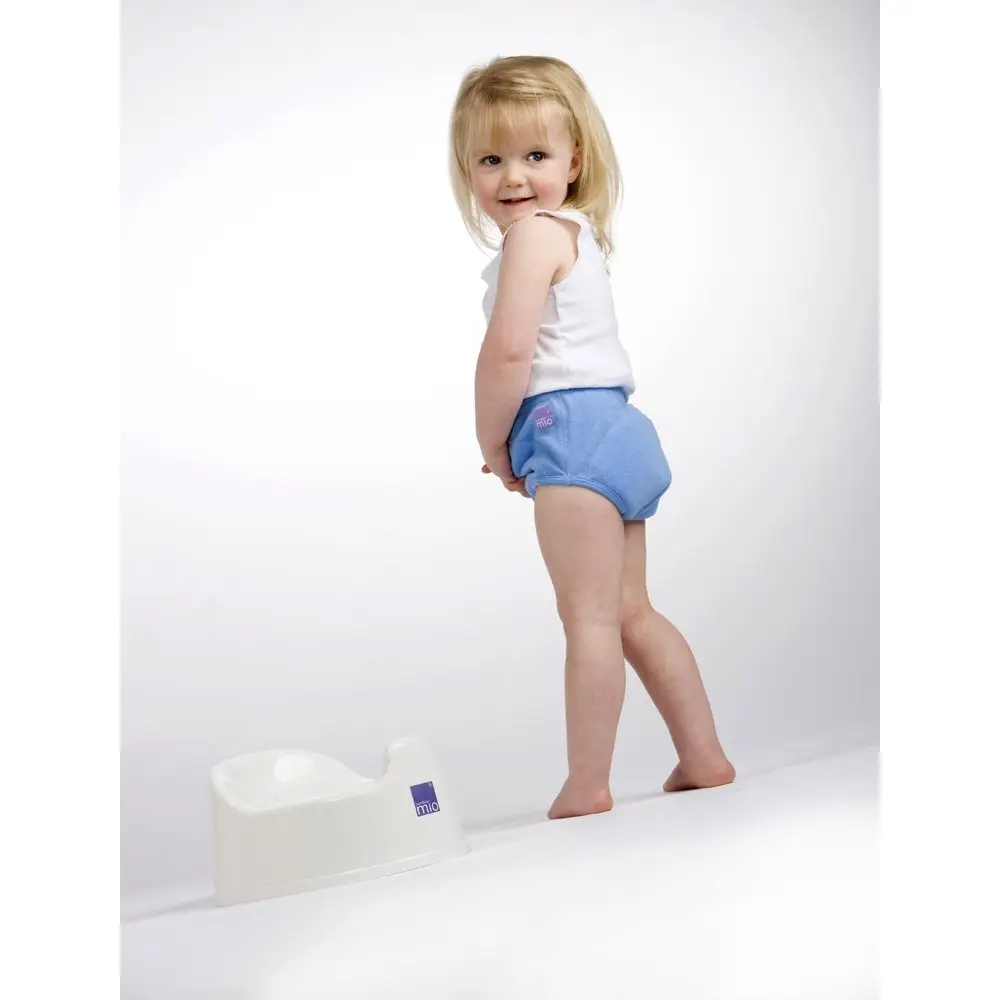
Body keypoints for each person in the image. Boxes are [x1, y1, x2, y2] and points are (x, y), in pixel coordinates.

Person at [449, 55, 735, 819]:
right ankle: (703, 755)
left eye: (535, 155)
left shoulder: (531, 238)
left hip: (567, 432)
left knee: (589, 620)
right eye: (490, 159)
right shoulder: (578, 234)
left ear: (575, 159)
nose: (513, 176)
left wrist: (493, 442)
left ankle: (587, 783)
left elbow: (508, 353)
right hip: (619, 428)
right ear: (467, 170)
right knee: (632, 611)